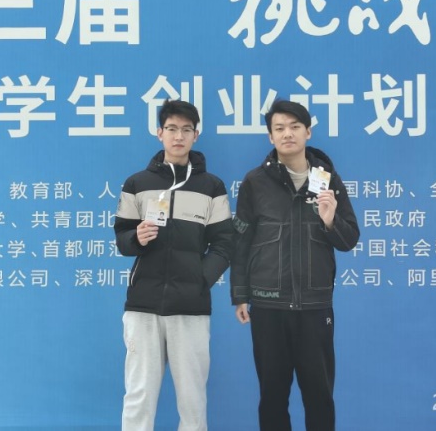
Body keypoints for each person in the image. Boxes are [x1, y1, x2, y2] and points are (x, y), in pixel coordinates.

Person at [230, 99, 360, 431]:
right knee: (272, 397)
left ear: (308, 132)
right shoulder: (255, 182)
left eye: (294, 127)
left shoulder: (328, 180)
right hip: (268, 305)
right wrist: (240, 294)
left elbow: (349, 240)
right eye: (279, 128)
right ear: (270, 137)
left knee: (320, 396)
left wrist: (330, 221)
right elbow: (241, 241)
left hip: (315, 307)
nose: (287, 133)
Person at [115, 99, 234, 431]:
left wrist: (199, 279)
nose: (178, 136)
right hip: (143, 305)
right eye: (171, 129)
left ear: (196, 135)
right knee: (139, 395)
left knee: (192, 399)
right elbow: (122, 238)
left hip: (190, 307)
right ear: (159, 133)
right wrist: (136, 237)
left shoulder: (212, 187)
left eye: (186, 130)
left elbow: (225, 243)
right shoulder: (136, 184)